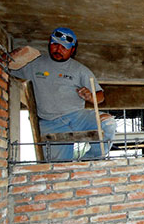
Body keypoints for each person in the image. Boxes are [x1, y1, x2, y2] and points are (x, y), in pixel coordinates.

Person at [10, 27, 117, 161]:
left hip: (77, 117)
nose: (58, 50)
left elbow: (100, 97)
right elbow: (7, 68)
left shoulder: (80, 70)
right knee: (58, 168)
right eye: (55, 45)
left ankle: (90, 160)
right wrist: (8, 57)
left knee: (108, 124)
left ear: (72, 50)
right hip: (50, 122)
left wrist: (91, 96)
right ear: (49, 42)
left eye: (64, 47)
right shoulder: (34, 64)